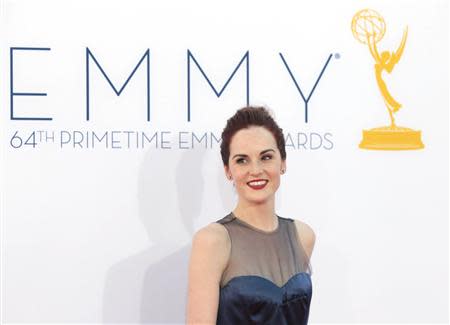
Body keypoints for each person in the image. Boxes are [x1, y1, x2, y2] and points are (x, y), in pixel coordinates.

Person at [186, 106, 316, 324]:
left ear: (282, 162)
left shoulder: (302, 236)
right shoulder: (213, 241)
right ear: (228, 170)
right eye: (242, 160)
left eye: (266, 157)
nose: (255, 170)